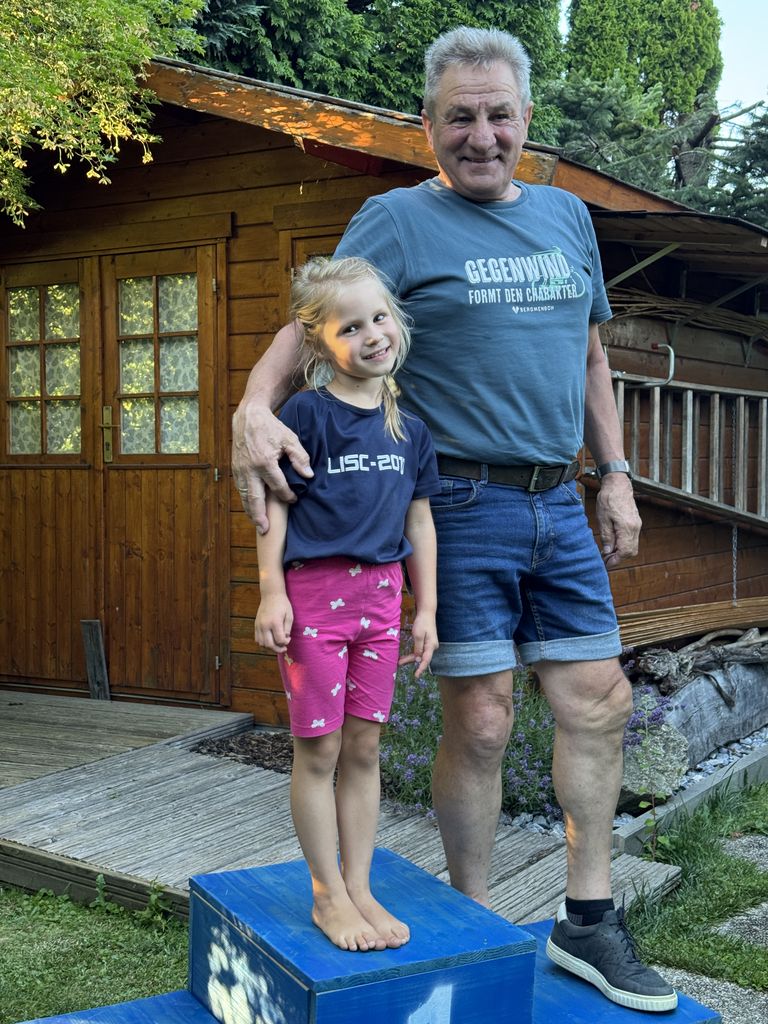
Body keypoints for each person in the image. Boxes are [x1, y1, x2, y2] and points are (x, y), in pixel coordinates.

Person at [234, 26, 677, 1011]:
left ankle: (588, 919)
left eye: (499, 115)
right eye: (461, 117)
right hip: (459, 501)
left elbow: (591, 356)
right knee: (480, 719)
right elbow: (312, 322)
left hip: (557, 499)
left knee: (599, 699)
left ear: (527, 120)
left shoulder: (567, 217)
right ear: (428, 126)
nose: (482, 135)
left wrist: (615, 475)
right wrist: (254, 406)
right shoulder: (397, 219)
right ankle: (475, 920)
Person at [254, 256, 439, 953]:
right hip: (315, 600)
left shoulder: (410, 430)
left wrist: (426, 610)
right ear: (318, 342)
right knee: (320, 748)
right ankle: (327, 893)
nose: (371, 335)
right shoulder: (306, 413)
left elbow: (420, 522)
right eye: (350, 327)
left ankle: (360, 886)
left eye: (379, 318)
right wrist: (271, 591)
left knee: (364, 746)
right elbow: (275, 504)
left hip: (383, 601)